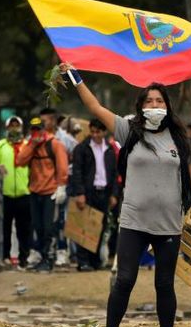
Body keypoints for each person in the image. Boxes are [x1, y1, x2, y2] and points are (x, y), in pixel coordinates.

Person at [60, 62, 191, 327]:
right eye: (148, 101)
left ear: (167, 105)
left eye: (159, 101)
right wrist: (75, 77)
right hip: (133, 222)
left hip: (169, 224)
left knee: (164, 285)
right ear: (140, 106)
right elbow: (94, 106)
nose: (154, 106)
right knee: (125, 280)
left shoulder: (178, 138)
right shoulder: (130, 129)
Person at [15, 116, 68, 272]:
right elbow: (20, 161)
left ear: (44, 129)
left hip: (50, 193)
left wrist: (61, 187)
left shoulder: (55, 144)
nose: (36, 132)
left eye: (39, 129)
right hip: (34, 191)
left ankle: (47, 258)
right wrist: (32, 145)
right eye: (33, 129)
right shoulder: (31, 144)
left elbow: (62, 167)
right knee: (37, 226)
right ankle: (40, 256)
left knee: (48, 227)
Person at [71, 118, 119, 271]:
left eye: (98, 132)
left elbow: (114, 173)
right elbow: (77, 172)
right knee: (84, 226)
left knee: (100, 226)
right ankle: (83, 261)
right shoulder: (82, 149)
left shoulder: (110, 150)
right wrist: (80, 193)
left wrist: (114, 194)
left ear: (104, 132)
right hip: (88, 192)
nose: (95, 135)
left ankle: (95, 260)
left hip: (104, 193)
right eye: (92, 132)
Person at [0, 115, 31, 270]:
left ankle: (24, 258)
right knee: (4, 228)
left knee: (24, 229)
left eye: (17, 126)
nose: (14, 129)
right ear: (7, 128)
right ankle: (5, 256)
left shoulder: (28, 145)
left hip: (24, 193)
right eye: (11, 126)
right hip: (4, 194)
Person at [41, 107, 74, 267]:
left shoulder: (65, 139)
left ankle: (62, 251)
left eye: (45, 120)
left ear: (53, 120)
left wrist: (67, 176)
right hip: (43, 185)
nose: (42, 123)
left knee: (61, 219)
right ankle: (47, 251)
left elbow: (76, 156)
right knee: (45, 222)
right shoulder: (37, 137)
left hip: (61, 186)